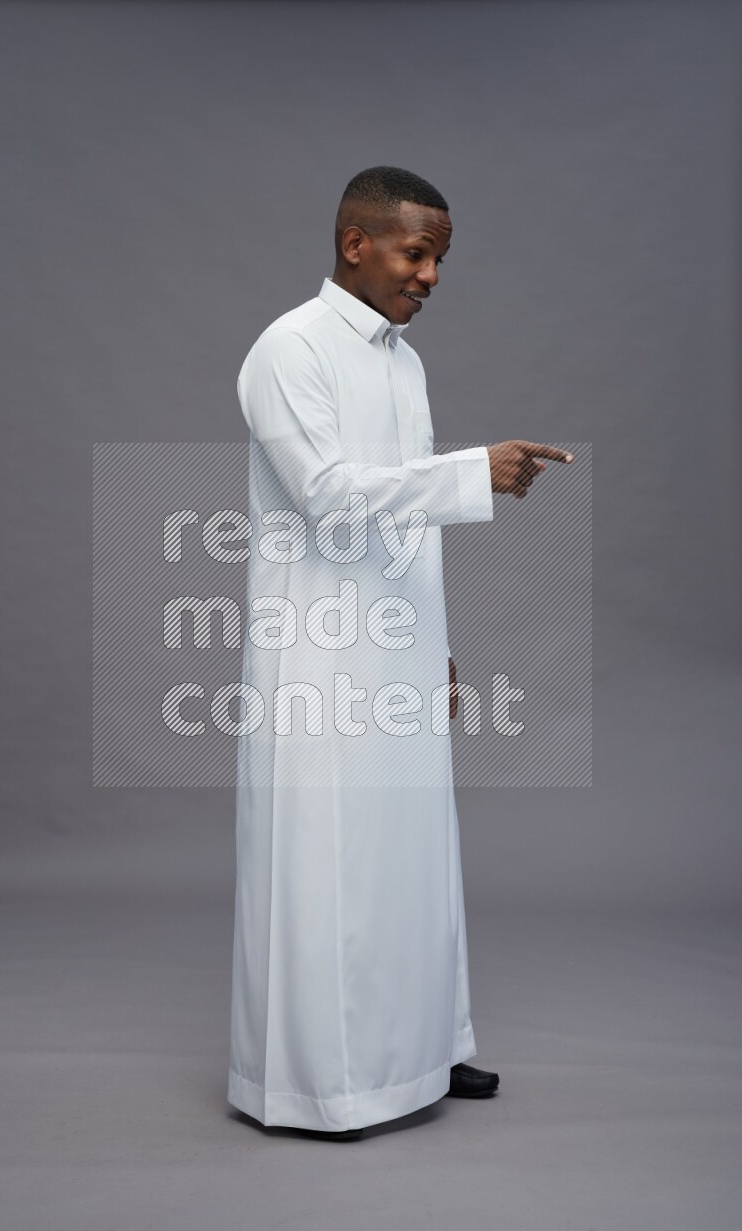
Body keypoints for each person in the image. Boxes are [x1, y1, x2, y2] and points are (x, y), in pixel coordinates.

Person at [227, 165, 573, 1140]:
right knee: (330, 863)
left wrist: (438, 648)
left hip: (396, 647)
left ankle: (422, 1049)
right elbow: (330, 493)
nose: (428, 275)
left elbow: (406, 519)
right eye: (416, 253)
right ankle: (323, 1087)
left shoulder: (402, 362)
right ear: (355, 245)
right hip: (320, 655)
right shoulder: (287, 349)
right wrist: (475, 470)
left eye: (438, 260)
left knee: (415, 857)